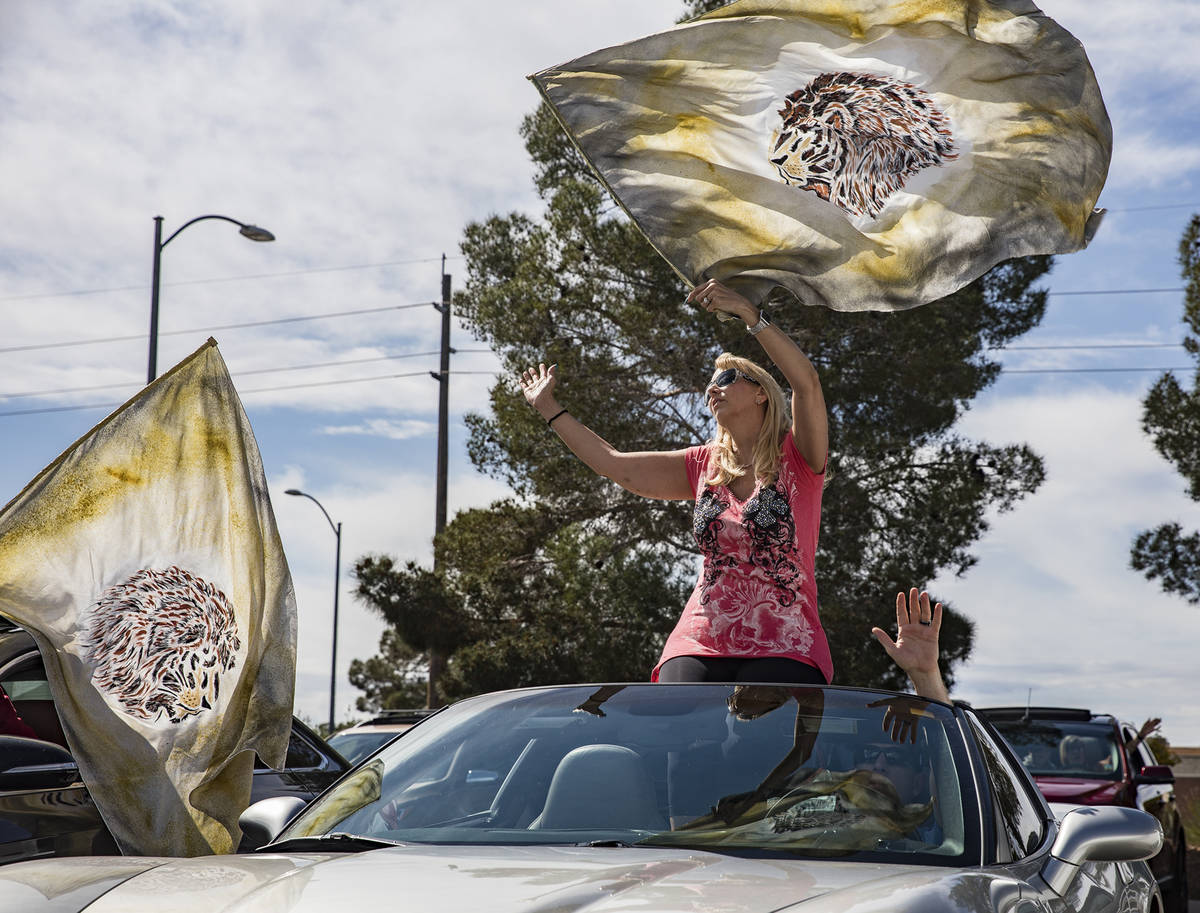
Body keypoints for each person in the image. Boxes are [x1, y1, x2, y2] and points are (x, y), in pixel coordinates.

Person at [520, 278, 829, 685]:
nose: (712, 389)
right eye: (709, 384)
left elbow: (805, 382)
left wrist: (749, 315)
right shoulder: (703, 464)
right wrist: (549, 409)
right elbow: (615, 464)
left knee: (760, 737)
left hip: (787, 641)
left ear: (761, 394)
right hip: (702, 638)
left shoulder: (799, 456)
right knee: (677, 725)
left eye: (727, 378)